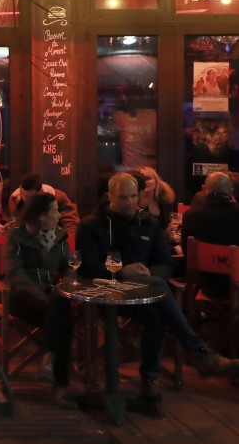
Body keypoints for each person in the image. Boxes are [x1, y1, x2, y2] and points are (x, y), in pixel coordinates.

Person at [77, 172, 239, 406]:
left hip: (144, 291)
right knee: (157, 297)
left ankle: (150, 380)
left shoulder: (148, 224)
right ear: (109, 195)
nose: (130, 202)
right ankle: (199, 354)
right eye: (123, 197)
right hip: (104, 290)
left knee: (155, 307)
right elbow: (87, 266)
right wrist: (122, 272)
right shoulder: (92, 225)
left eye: (134, 196)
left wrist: (150, 275)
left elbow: (166, 263)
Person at [1, 192, 75, 408]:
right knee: (64, 317)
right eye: (55, 211)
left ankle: (50, 362)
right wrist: (41, 295)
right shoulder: (16, 236)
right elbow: (15, 274)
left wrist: (68, 280)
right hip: (23, 298)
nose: (60, 215)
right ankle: (61, 387)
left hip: (52, 298)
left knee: (61, 310)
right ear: (41, 216)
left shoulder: (60, 237)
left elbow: (69, 266)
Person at [181, 171, 239, 301]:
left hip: (208, 287)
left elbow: (187, 253)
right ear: (231, 192)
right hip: (236, 287)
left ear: (203, 189)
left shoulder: (191, 216)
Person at [7, 173, 79, 235]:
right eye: (22, 194)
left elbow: (71, 224)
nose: (25, 199)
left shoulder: (59, 198)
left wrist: (65, 244)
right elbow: (14, 225)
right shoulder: (15, 200)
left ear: (40, 192)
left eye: (29, 197)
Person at [132, 166, 176, 230]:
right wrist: (165, 234)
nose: (145, 182)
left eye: (148, 178)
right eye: (142, 179)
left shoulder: (163, 201)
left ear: (156, 181)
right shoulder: (135, 205)